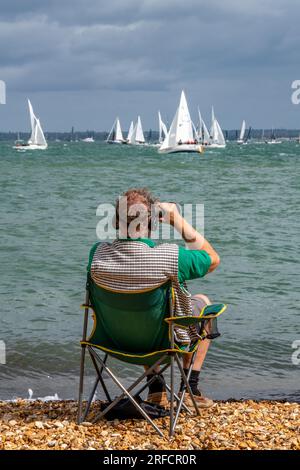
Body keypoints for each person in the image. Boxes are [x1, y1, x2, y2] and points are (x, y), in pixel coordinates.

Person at [90, 188, 220, 409]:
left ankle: (156, 388)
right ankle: (189, 388)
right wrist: (177, 220)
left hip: (116, 341)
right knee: (202, 302)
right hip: (165, 343)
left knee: (138, 311)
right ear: (152, 224)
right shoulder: (169, 256)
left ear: (114, 222)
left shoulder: (97, 254)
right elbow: (213, 259)